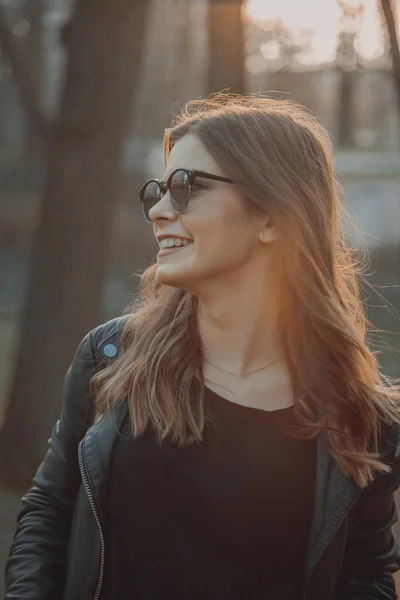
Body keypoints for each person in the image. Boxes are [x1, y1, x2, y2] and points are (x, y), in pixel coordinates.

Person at [5, 94, 400, 600]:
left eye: (186, 187)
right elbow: (49, 511)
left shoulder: (358, 414)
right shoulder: (112, 359)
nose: (159, 211)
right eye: (158, 191)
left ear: (272, 218)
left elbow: (365, 579)